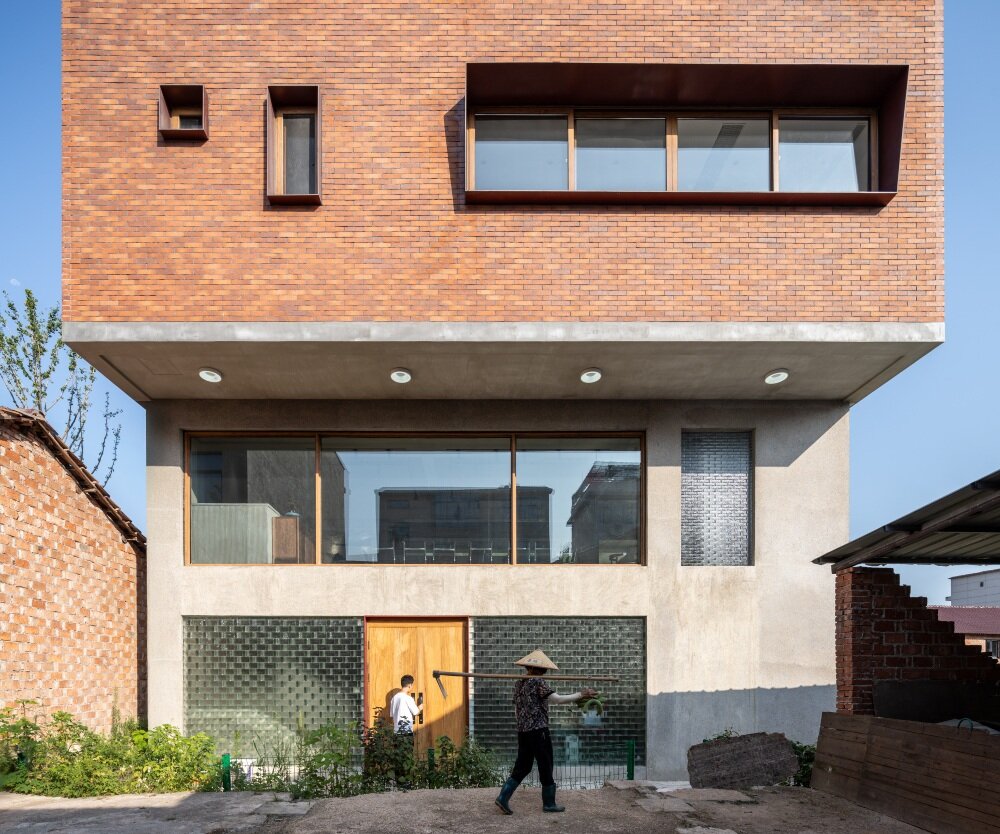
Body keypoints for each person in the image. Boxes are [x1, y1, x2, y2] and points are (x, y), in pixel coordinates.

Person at [495, 649, 598, 815]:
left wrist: (523, 724)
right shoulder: (538, 682)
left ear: (527, 667)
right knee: (546, 764)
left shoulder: (519, 683)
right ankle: (549, 803)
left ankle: (503, 796)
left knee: (523, 766)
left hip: (523, 731)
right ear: (543, 670)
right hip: (538, 731)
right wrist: (581, 694)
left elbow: (516, 709)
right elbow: (557, 699)